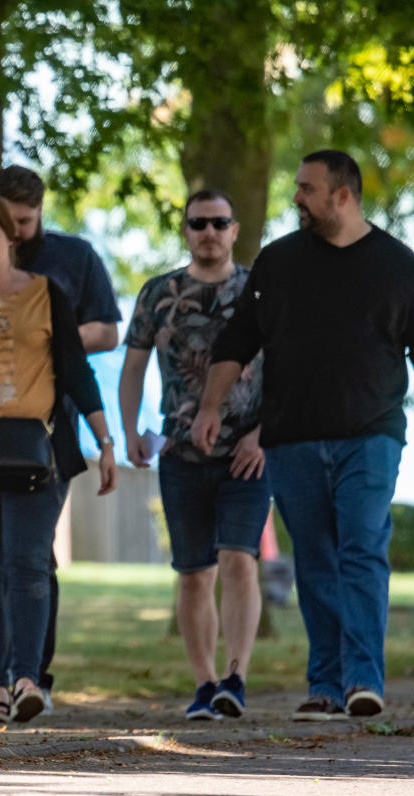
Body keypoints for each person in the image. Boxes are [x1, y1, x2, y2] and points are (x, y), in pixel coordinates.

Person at [193, 149, 414, 721]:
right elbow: (238, 342)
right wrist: (209, 406)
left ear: (343, 195)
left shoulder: (397, 263)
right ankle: (326, 685)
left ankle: (363, 679)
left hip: (372, 435)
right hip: (292, 440)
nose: (296, 199)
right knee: (315, 559)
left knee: (362, 547)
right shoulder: (278, 263)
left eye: (307, 189)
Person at [0, 165, 122, 715]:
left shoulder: (45, 293)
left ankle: (28, 680)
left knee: (28, 563)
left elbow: (76, 371)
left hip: (36, 447)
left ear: (9, 237)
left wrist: (105, 442)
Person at [120, 189, 269, 720]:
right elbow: (133, 364)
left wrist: (263, 436)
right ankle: (204, 683)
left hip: (247, 453)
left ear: (234, 229)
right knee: (193, 573)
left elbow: (292, 369)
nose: (208, 232)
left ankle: (237, 676)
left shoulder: (260, 290)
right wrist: (131, 428)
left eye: (219, 223)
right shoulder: (159, 293)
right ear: (186, 230)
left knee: (238, 561)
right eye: (198, 223)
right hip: (180, 450)